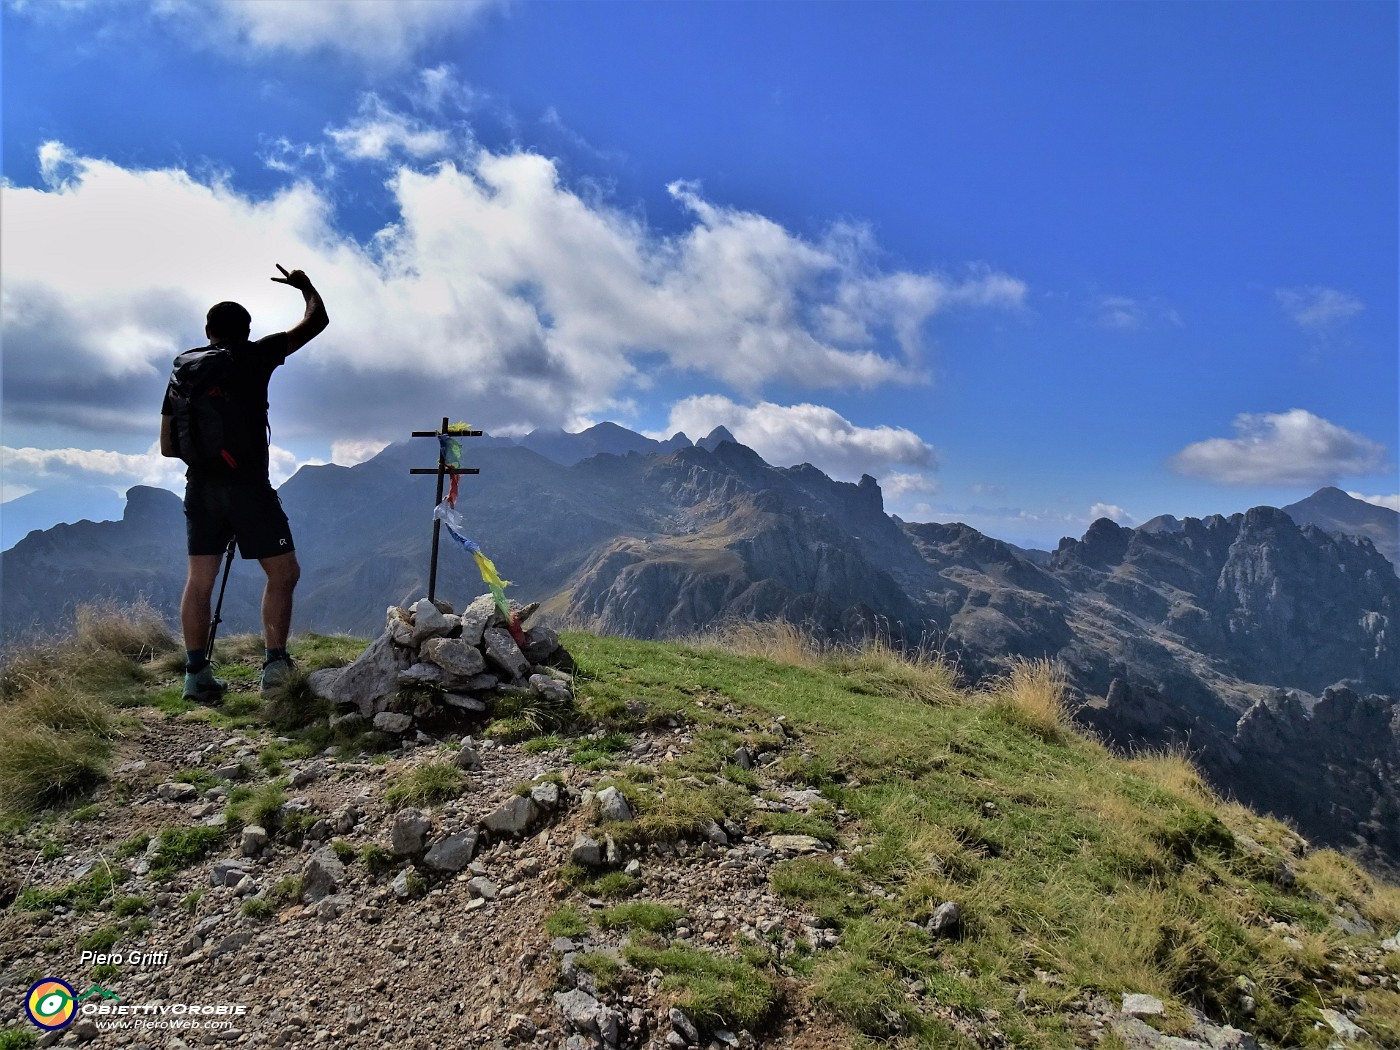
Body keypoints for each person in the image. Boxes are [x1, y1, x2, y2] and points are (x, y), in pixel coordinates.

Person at [160, 265, 328, 701]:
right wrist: (304, 286)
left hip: (200, 488)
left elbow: (167, 446)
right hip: (249, 488)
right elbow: (317, 321)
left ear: (207, 331)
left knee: (199, 581)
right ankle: (274, 666)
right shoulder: (255, 356)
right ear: (248, 330)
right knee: (284, 572)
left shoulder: (184, 371)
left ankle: (196, 675)